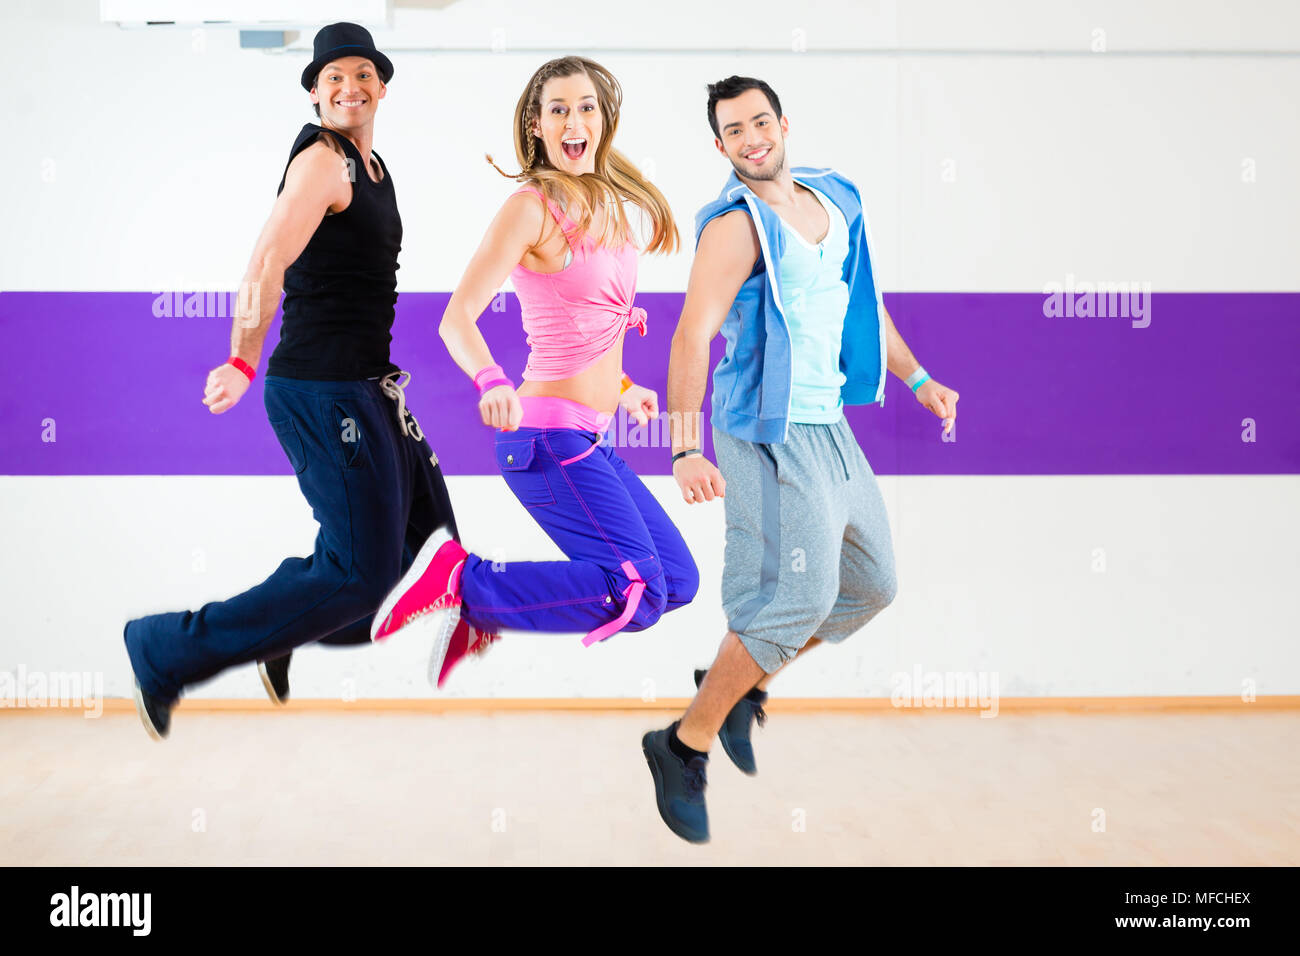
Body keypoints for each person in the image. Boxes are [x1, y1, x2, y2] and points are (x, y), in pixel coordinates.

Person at [123, 23, 473, 738]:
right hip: (322, 389)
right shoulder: (321, 163)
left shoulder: (375, 168)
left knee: (431, 550)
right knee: (360, 574)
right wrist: (241, 359)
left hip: (369, 388)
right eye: (333, 76)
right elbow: (264, 264)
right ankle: (164, 648)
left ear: (382, 85)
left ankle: (280, 632)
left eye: (362, 74)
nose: (349, 87)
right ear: (315, 91)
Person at [641, 76, 961, 843]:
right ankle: (682, 744)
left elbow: (859, 301)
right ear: (720, 146)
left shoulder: (833, 201)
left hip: (830, 425)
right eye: (733, 131)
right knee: (799, 593)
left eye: (761, 121)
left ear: (784, 124)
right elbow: (691, 337)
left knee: (872, 584)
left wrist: (917, 377)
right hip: (763, 429)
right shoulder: (736, 228)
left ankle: (741, 687)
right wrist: (685, 446)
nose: (752, 138)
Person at [369, 56, 699, 683]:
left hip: (586, 435)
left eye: (585, 107)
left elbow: (581, 322)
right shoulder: (531, 207)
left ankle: (481, 613)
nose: (573, 120)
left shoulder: (608, 206)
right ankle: (463, 583)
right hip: (544, 436)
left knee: (675, 582)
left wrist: (624, 389)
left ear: (603, 119)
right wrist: (491, 379)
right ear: (537, 124)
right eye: (558, 109)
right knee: (635, 588)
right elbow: (455, 317)